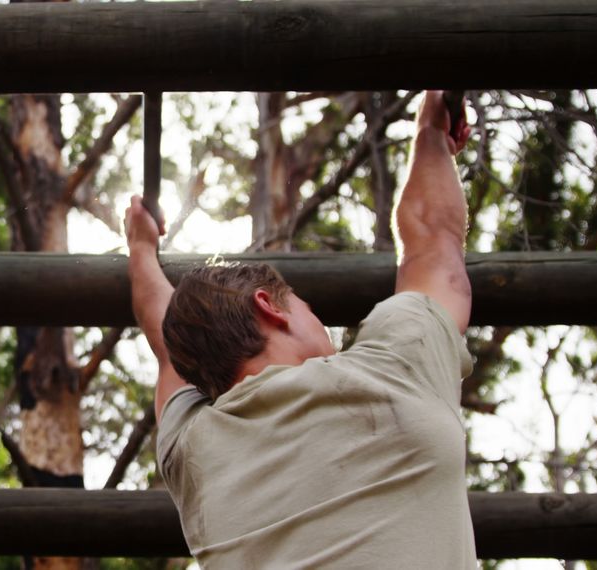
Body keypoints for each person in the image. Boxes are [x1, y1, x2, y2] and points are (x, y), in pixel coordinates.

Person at [125, 91, 476, 568]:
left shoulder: (194, 451)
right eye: (308, 308)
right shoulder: (396, 366)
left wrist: (140, 249)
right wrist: (430, 131)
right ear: (270, 307)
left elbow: (166, 346)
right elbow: (433, 240)